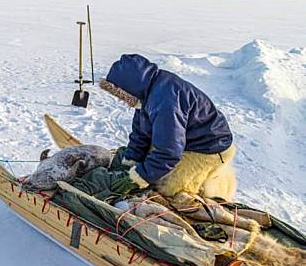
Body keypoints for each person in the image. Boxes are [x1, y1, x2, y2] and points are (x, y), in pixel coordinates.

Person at [99, 54, 237, 201]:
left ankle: (210, 183)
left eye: (122, 94)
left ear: (130, 85)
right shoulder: (148, 92)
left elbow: (168, 152)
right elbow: (141, 134)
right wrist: (130, 161)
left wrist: (137, 178)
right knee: (151, 164)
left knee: (170, 190)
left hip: (208, 148)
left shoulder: (166, 102)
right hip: (185, 140)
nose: (122, 99)